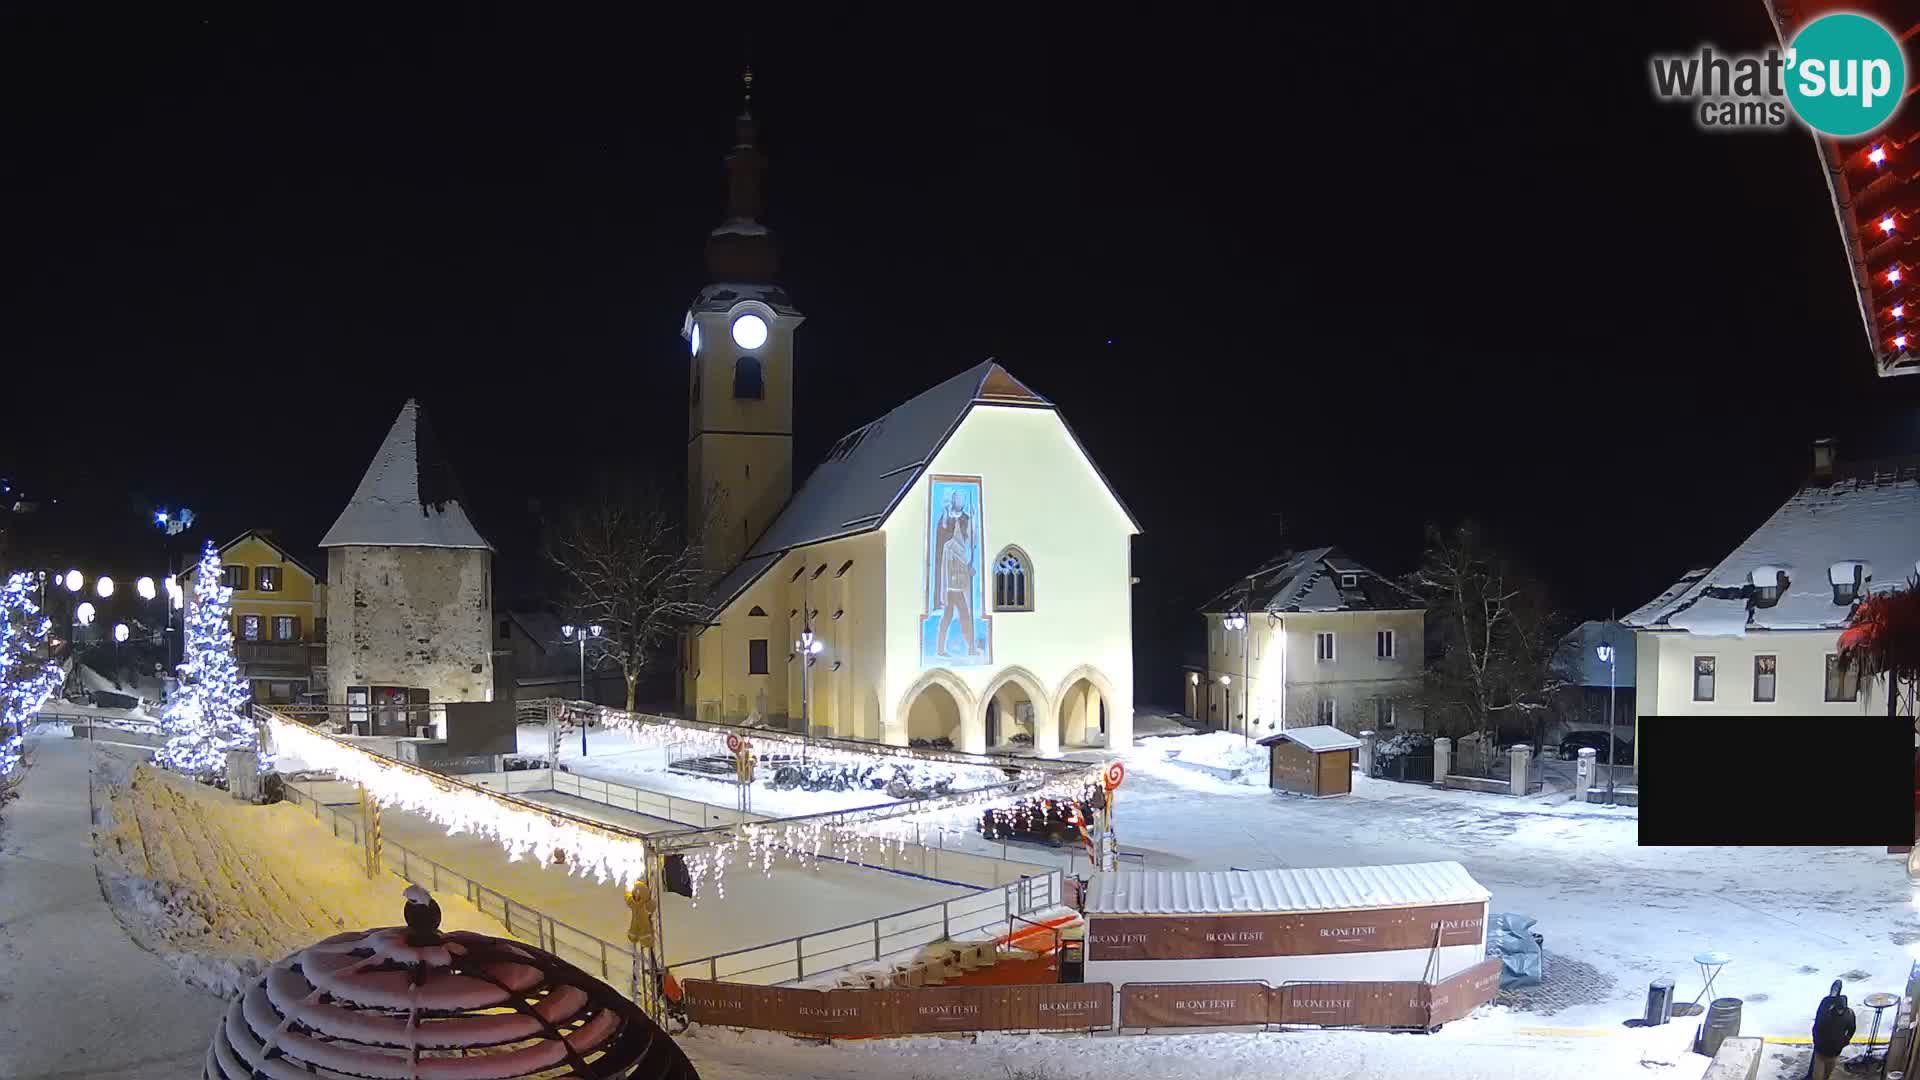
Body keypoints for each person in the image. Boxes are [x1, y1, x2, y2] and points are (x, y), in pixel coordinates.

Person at [1809, 979, 1856, 1080]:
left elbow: (1852, 1029)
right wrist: (1817, 1041)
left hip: (1834, 1053)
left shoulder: (1849, 1014)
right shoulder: (1827, 1010)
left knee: (1826, 1075)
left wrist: (1844, 1042)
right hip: (1821, 1051)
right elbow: (1818, 1025)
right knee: (1817, 1077)